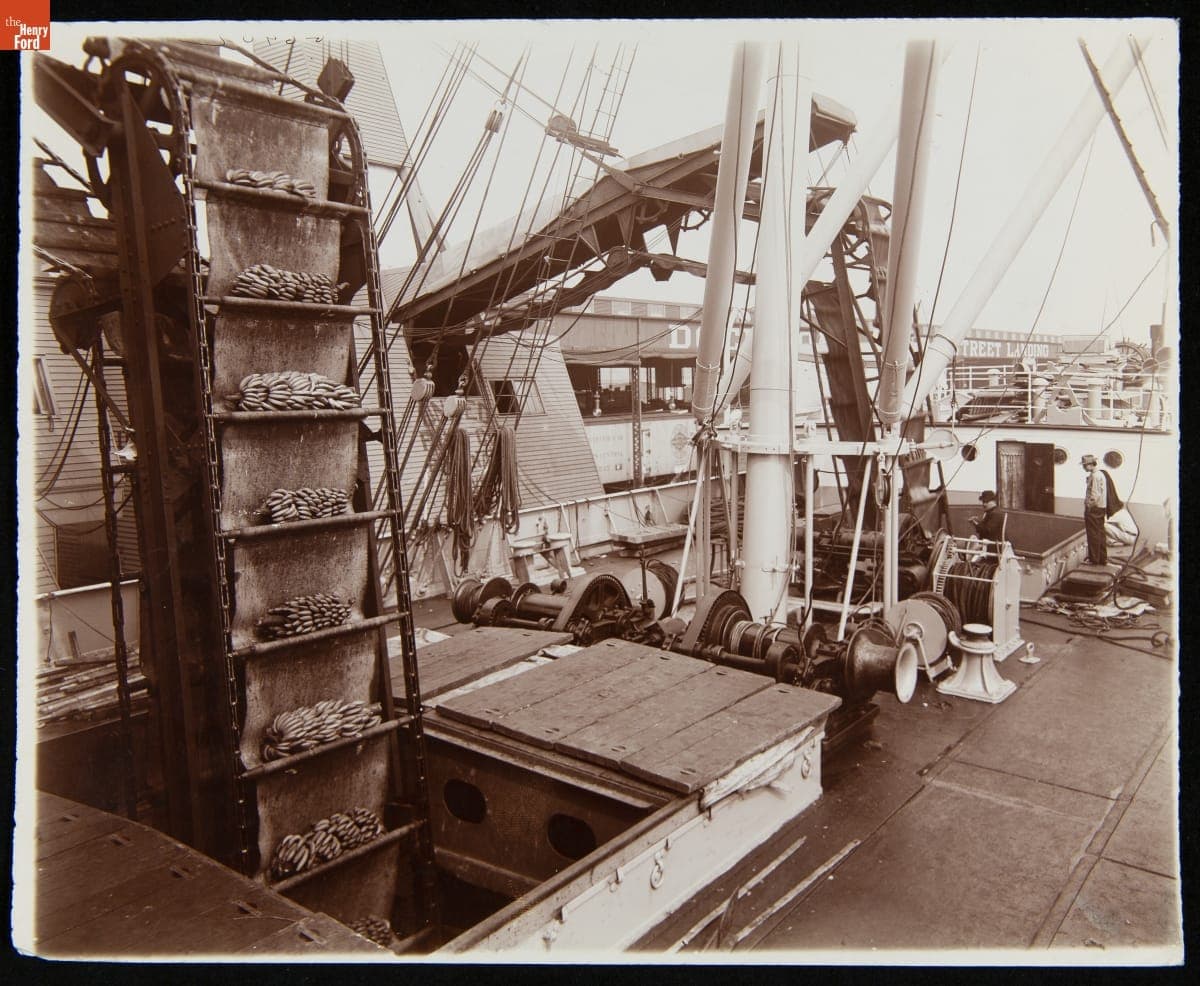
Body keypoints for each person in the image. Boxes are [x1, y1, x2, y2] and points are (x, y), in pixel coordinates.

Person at [1081, 454, 1109, 565]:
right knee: (1100, 533)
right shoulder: (1100, 474)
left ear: (1090, 464)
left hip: (1094, 509)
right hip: (1101, 508)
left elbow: (1094, 495)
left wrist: (1088, 506)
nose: (1083, 468)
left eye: (1084, 465)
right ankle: (1102, 559)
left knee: (1093, 534)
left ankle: (1094, 560)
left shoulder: (1095, 476)